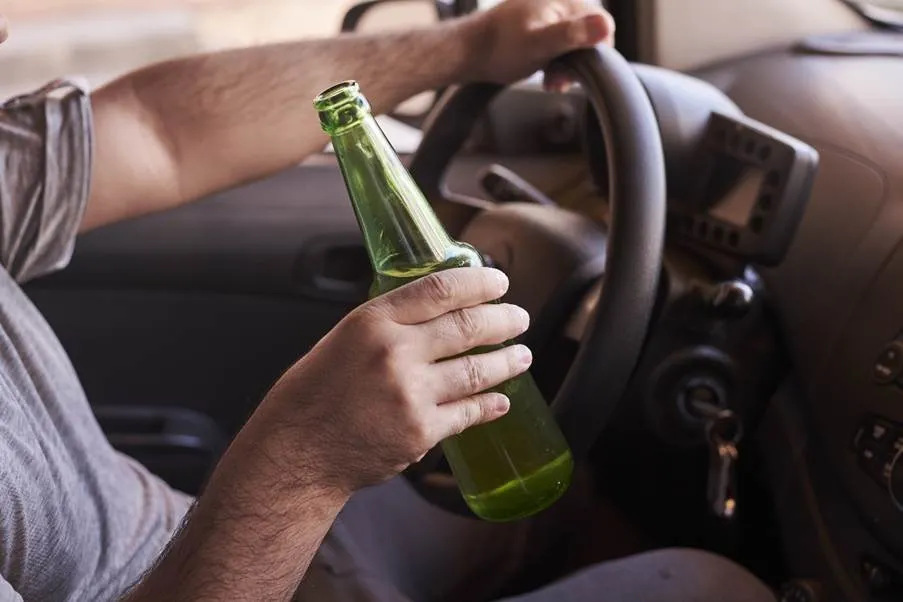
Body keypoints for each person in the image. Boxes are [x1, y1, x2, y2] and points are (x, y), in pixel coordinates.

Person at [0, 2, 778, 601]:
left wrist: (470, 45)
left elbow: (160, 130)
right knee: (716, 587)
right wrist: (301, 462)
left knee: (563, 498)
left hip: (200, 539)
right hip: (217, 569)